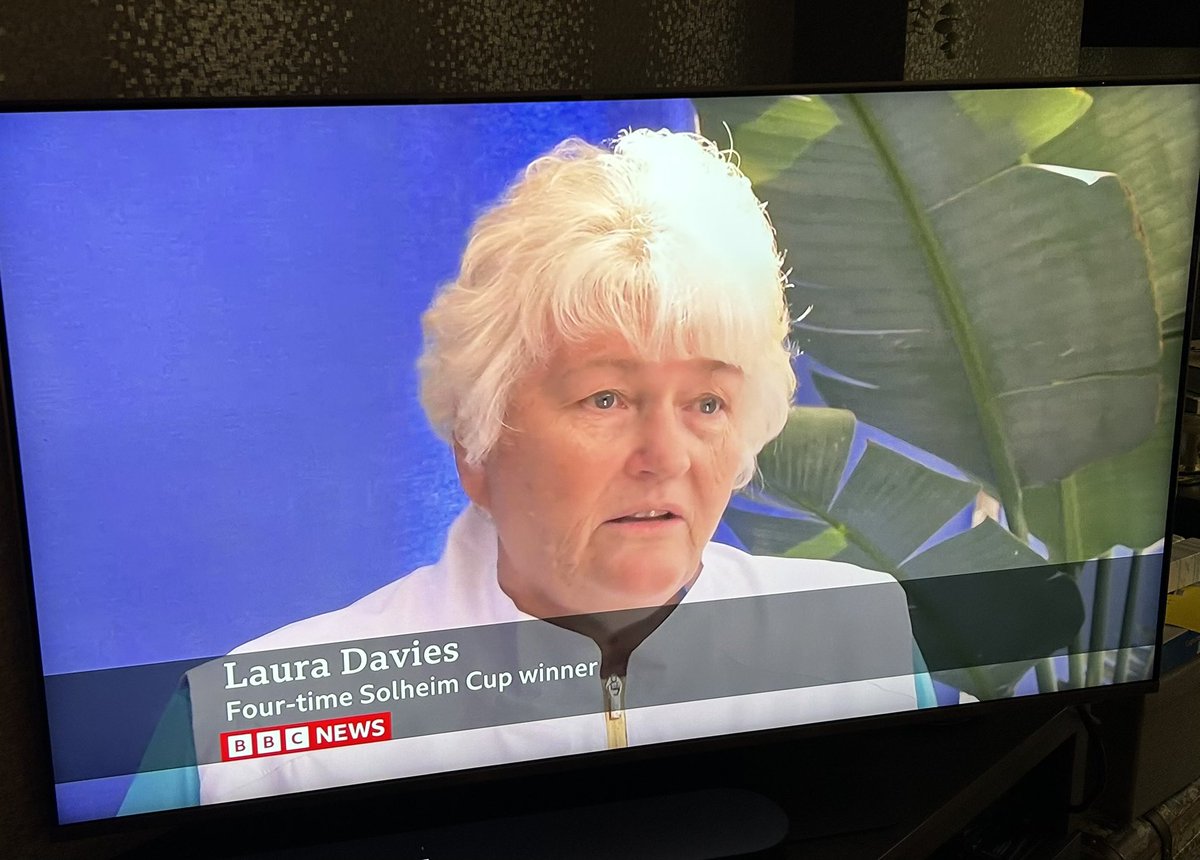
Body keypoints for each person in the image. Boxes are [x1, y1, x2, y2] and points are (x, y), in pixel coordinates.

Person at [122, 128, 930, 813]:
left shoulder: (862, 638)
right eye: (607, 398)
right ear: (476, 444)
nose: (667, 457)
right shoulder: (252, 727)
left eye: (708, 403)